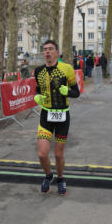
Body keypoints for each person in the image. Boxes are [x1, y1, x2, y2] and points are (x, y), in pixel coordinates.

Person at [34, 40, 80, 196]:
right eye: (45, 49)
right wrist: (37, 97)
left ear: (57, 52)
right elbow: (37, 90)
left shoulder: (66, 68)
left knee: (58, 154)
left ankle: (61, 178)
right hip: (46, 114)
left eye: (50, 49)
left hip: (62, 115)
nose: (47, 52)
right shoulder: (38, 71)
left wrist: (68, 91)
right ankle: (48, 175)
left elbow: (77, 92)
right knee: (42, 154)